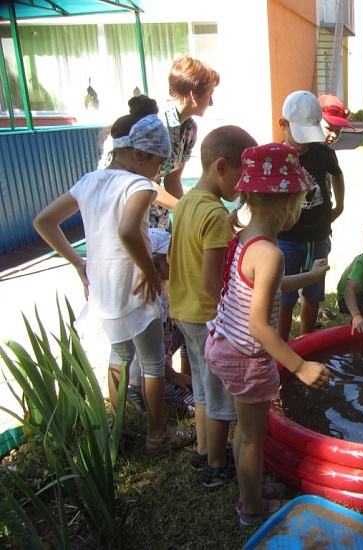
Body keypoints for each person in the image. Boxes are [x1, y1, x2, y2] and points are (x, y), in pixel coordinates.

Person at [33, 98, 195, 451]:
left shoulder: (90, 181)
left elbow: (43, 221)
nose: (157, 171)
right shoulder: (138, 186)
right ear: (139, 155)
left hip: (104, 291)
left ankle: (117, 431)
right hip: (134, 289)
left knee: (118, 356)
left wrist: (78, 262)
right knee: (152, 363)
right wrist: (149, 269)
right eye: (157, 163)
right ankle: (157, 435)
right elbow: (126, 230)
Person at [206, 142, 332, 526]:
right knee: (250, 438)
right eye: (300, 200)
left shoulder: (247, 237)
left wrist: (309, 276)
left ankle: (252, 489)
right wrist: (299, 366)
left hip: (223, 344)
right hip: (246, 357)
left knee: (246, 433)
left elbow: (264, 285)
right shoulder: (272, 252)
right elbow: (260, 326)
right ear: (288, 202)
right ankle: (252, 507)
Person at [169, 125, 257, 491]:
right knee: (220, 393)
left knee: (203, 389)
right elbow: (212, 282)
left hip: (183, 311)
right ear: (222, 166)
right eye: (243, 175)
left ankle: (204, 450)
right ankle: (218, 466)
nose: (244, 185)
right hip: (209, 317)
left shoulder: (188, 201)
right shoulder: (216, 217)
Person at [98, 55, 220, 230]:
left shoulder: (190, 128)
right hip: (122, 207)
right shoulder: (155, 124)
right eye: (210, 94)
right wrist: (183, 209)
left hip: (152, 211)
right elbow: (141, 179)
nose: (211, 102)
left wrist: (184, 221)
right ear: (193, 94)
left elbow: (173, 180)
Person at [277, 91, 345, 340]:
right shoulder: (277, 156)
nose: (304, 143)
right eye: (300, 134)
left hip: (319, 237)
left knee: (313, 293)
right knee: (285, 297)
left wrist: (340, 205)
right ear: (283, 124)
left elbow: (337, 174)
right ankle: (282, 347)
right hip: (287, 239)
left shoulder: (322, 151)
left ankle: (307, 340)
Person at [126, 228, 194, 414]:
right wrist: (173, 376)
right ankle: (137, 392)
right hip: (151, 375)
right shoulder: (147, 298)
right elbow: (149, 352)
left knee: (190, 328)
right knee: (199, 403)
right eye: (169, 260)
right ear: (153, 264)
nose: (175, 264)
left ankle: (189, 376)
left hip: (164, 362)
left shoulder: (162, 289)